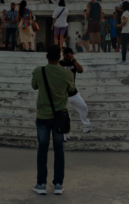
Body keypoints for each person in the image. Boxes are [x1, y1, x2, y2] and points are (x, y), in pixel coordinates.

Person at [31, 45, 75, 195]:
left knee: (42, 149)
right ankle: (58, 184)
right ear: (60, 57)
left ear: (46, 56)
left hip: (43, 115)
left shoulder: (39, 71)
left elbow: (34, 86)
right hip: (60, 117)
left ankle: (41, 184)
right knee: (59, 149)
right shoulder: (67, 74)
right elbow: (71, 90)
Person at [60, 47, 91, 133]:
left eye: (70, 54)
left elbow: (80, 70)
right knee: (61, 114)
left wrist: (73, 60)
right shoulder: (59, 64)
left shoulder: (73, 63)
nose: (68, 56)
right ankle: (63, 135)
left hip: (73, 93)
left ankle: (86, 126)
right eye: (67, 54)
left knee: (83, 107)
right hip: (62, 94)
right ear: (63, 55)